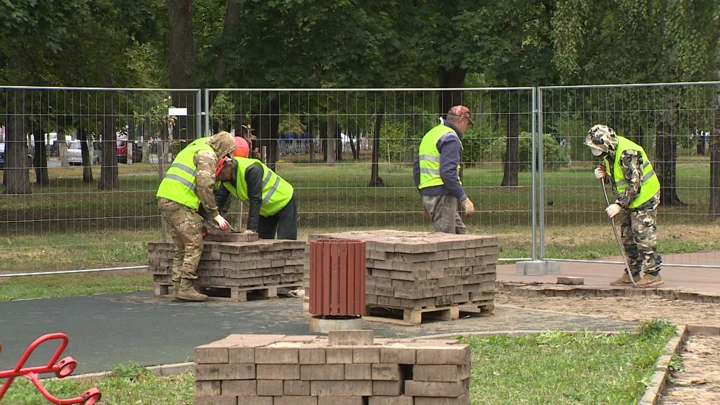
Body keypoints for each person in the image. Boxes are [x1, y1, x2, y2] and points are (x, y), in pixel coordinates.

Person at [156, 131, 236, 301]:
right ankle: (186, 287)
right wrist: (215, 214)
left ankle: (177, 285)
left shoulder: (195, 146)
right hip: (180, 201)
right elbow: (204, 185)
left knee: (181, 245)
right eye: (228, 152)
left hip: (165, 196)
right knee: (194, 244)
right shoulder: (208, 155)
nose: (228, 157)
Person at [586, 124, 663, 288]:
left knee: (643, 234)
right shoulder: (610, 154)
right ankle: (631, 273)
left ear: (605, 142)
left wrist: (619, 205)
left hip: (645, 197)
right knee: (628, 236)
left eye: (596, 146)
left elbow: (635, 184)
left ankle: (653, 274)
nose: (595, 151)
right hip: (630, 200)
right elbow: (619, 177)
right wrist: (604, 176)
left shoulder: (627, 153)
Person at [413, 105, 476, 234]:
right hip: (443, 195)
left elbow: (417, 169)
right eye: (467, 124)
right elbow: (448, 173)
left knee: (461, 236)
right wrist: (464, 199)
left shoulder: (432, 134)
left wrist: (425, 196)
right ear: (461, 120)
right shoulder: (450, 138)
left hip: (430, 193)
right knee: (446, 242)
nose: (466, 128)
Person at [214, 145, 298, 240]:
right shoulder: (226, 179)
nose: (219, 177)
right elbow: (219, 200)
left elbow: (255, 199)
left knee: (287, 243)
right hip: (265, 211)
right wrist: (213, 219)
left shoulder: (251, 170)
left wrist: (251, 229)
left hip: (284, 201)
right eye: (217, 176)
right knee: (262, 244)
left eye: (221, 173)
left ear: (229, 165)